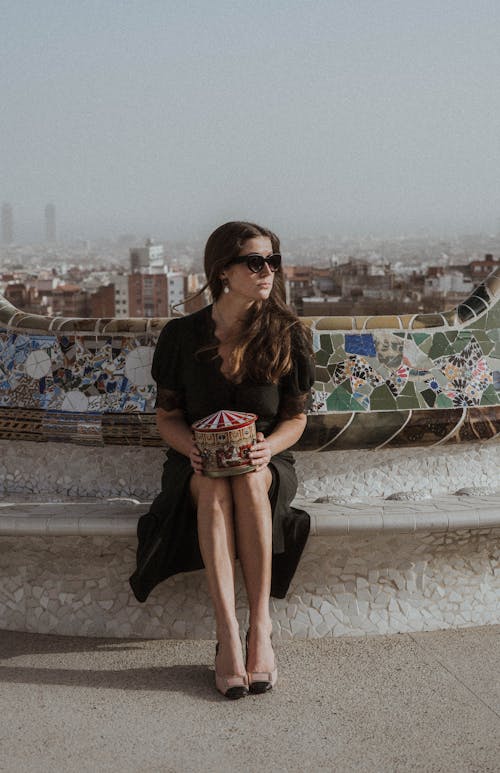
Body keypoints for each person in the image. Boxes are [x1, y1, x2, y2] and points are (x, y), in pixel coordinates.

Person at [129, 221, 315, 699]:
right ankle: (228, 632)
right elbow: (167, 416)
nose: (268, 271)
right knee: (214, 483)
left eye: (273, 261)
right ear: (223, 271)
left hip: (265, 462)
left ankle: (260, 627)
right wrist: (190, 446)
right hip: (194, 464)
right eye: (255, 262)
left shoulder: (287, 333)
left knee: (250, 479)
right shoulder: (182, 336)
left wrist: (265, 448)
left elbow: (296, 420)